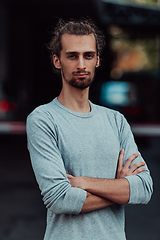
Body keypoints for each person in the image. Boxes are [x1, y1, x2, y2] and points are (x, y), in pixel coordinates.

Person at [26, 18, 153, 240]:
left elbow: (144, 189)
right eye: (72, 56)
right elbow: (59, 199)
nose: (81, 65)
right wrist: (120, 190)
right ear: (57, 61)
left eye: (88, 55)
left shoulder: (116, 120)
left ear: (97, 60)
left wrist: (84, 183)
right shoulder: (43, 119)